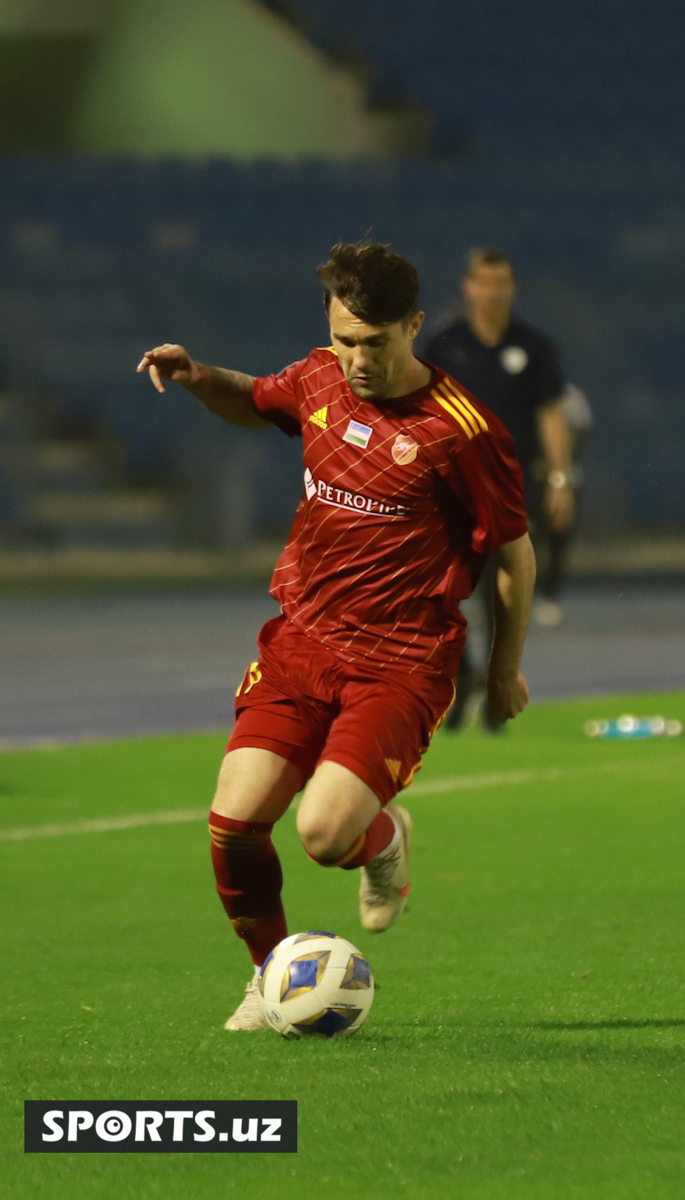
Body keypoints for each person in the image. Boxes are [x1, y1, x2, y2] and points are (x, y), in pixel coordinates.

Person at [135, 240, 534, 1033]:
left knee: (321, 834)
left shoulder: (461, 431)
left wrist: (505, 670)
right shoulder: (319, 376)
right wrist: (199, 377)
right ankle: (269, 975)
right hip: (303, 640)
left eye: (375, 344)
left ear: (413, 327)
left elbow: (515, 551)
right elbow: (259, 400)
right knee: (233, 823)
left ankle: (382, 839)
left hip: (399, 661)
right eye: (345, 339)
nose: (356, 360)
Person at [423, 249, 584, 733]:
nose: (492, 290)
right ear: (467, 286)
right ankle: (463, 673)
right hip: (451, 490)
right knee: (437, 594)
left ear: (511, 289)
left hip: (511, 491)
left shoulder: (534, 348)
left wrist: (561, 478)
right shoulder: (442, 345)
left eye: (501, 282)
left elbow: (551, 415)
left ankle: (497, 682)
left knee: (502, 593)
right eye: (483, 281)